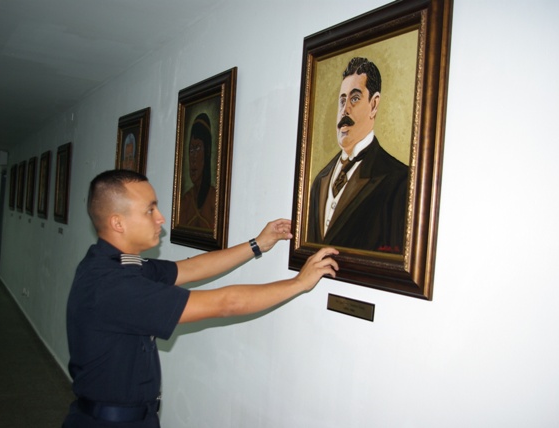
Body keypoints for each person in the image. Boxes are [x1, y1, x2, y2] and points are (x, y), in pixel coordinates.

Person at [63, 169, 338, 428]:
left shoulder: (115, 264)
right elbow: (225, 303)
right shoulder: (113, 285)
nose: (160, 218)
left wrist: (257, 244)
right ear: (117, 222)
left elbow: (190, 268)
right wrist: (299, 283)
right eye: (149, 210)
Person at [307, 57, 408, 254]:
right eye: (342, 101)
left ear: (374, 104)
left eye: (354, 99)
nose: (345, 110)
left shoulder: (399, 180)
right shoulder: (320, 181)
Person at [178, 113, 216, 229]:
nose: (193, 158)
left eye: (198, 148)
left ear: (207, 151)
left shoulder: (214, 198)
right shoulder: (185, 200)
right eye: (191, 150)